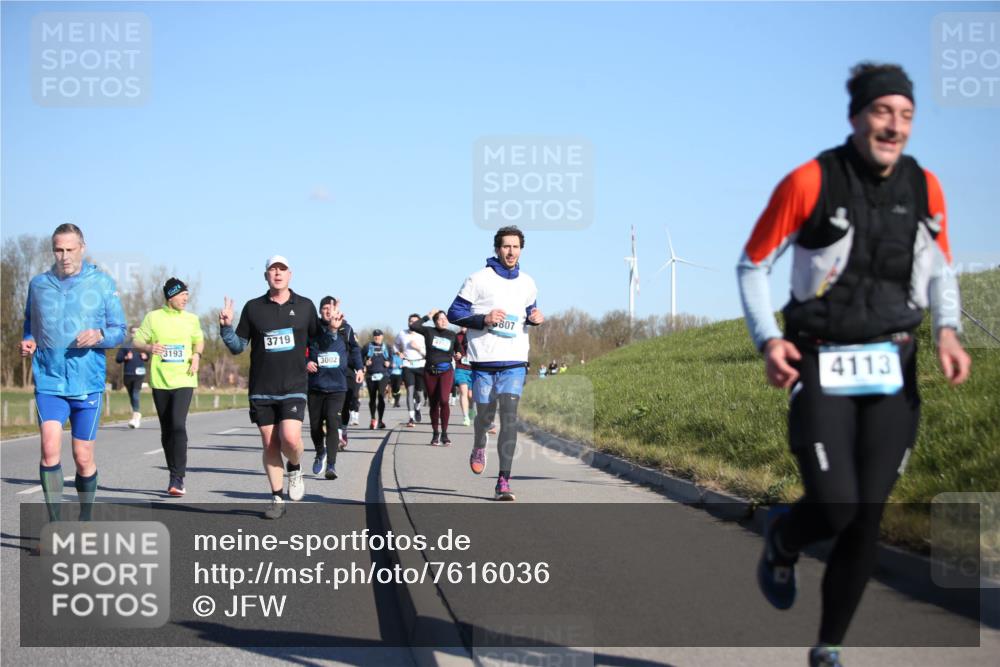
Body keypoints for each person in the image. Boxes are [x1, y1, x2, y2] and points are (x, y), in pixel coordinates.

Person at [736, 62, 971, 667]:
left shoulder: (926, 188)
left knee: (868, 516)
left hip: (895, 365)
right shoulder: (810, 181)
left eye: (906, 116)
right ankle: (784, 537)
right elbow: (752, 265)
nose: (894, 127)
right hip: (819, 362)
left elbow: (941, 269)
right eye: (882, 113)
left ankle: (828, 648)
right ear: (856, 117)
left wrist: (947, 331)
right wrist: (768, 341)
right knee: (837, 505)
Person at [20, 224, 126, 523]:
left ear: (82, 247)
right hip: (50, 379)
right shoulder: (38, 284)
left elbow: (119, 331)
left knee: (82, 458)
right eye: (58, 249)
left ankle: (86, 518)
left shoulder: (103, 283)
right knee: (49, 448)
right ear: (53, 250)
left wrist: (99, 335)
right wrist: (29, 340)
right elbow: (30, 322)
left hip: (87, 382)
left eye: (69, 249)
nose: (64, 256)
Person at [220, 255, 320, 519]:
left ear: (290, 275)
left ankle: (295, 466)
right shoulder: (254, 308)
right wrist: (226, 328)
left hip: (294, 385)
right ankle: (277, 498)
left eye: (282, 269)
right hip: (262, 388)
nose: (278, 273)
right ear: (266, 275)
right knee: (270, 445)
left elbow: (318, 339)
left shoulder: (306, 306)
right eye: (273, 269)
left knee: (290, 438)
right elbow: (237, 346)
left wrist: (317, 353)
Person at [447, 225, 543, 501]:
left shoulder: (528, 282)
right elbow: (455, 312)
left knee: (510, 417)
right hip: (483, 360)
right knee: (485, 419)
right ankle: (479, 443)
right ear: (497, 248)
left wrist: (535, 318)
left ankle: (503, 480)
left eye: (515, 247)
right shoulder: (478, 279)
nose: (511, 251)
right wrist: (484, 319)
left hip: (514, 359)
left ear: (521, 249)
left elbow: (528, 312)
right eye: (505, 246)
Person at [132, 278, 205, 496]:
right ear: (170, 296)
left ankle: (178, 477)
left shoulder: (191, 319)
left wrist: (196, 355)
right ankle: (173, 474)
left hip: (185, 379)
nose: (185, 299)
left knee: (177, 424)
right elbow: (136, 341)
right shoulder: (153, 318)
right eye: (182, 295)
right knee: (166, 430)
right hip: (160, 381)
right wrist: (149, 346)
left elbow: (198, 340)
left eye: (187, 295)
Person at [306, 297, 363, 480]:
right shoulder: (312, 328)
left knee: (332, 422)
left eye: (332, 308)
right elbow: (300, 349)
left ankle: (331, 464)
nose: (328, 311)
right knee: (315, 426)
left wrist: (359, 368)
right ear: (320, 311)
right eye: (325, 308)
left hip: (338, 385)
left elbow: (354, 349)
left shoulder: (345, 328)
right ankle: (319, 452)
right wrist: (306, 362)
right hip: (316, 385)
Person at [410, 310, 458, 445]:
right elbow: (414, 326)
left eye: (445, 319)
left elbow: (459, 349)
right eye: (440, 319)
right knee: (434, 403)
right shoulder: (429, 331)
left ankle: (445, 433)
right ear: (435, 321)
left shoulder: (451, 334)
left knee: (444, 400)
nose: (443, 321)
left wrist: (459, 353)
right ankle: (435, 433)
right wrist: (427, 316)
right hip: (430, 372)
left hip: (446, 371)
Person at [394, 314, 427, 427]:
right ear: (408, 322)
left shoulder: (424, 335)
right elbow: (395, 346)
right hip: (408, 365)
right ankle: (411, 418)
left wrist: (417, 347)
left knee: (420, 395)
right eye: (411, 321)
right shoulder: (402, 333)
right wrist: (399, 353)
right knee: (409, 392)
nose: (412, 323)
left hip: (421, 365)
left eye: (415, 321)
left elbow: (428, 353)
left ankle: (417, 408)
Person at [115, 327, 148, 428]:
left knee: (135, 393)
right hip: (128, 374)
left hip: (139, 374)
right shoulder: (126, 345)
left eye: (137, 332)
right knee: (131, 395)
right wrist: (125, 357)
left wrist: (145, 357)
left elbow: (148, 356)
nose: (135, 333)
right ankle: (136, 415)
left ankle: (136, 414)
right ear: (130, 333)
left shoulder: (143, 345)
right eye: (133, 332)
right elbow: (118, 359)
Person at [364, 329, 393, 429]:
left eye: (379, 335)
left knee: (381, 396)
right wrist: (365, 363)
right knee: (372, 398)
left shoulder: (387, 347)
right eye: (375, 335)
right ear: (373, 337)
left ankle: (380, 420)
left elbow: (391, 360)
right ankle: (373, 419)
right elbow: (359, 357)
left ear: (382, 336)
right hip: (370, 375)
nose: (377, 337)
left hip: (383, 375)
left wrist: (388, 364)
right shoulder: (368, 346)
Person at [454, 327, 473, 426]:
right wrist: (455, 355)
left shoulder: (475, 335)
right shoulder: (456, 336)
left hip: (474, 369)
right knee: (463, 391)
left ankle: (471, 409)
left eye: (465, 325)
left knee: (471, 395)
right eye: (461, 325)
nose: (463, 327)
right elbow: (451, 351)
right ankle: (466, 417)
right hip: (461, 368)